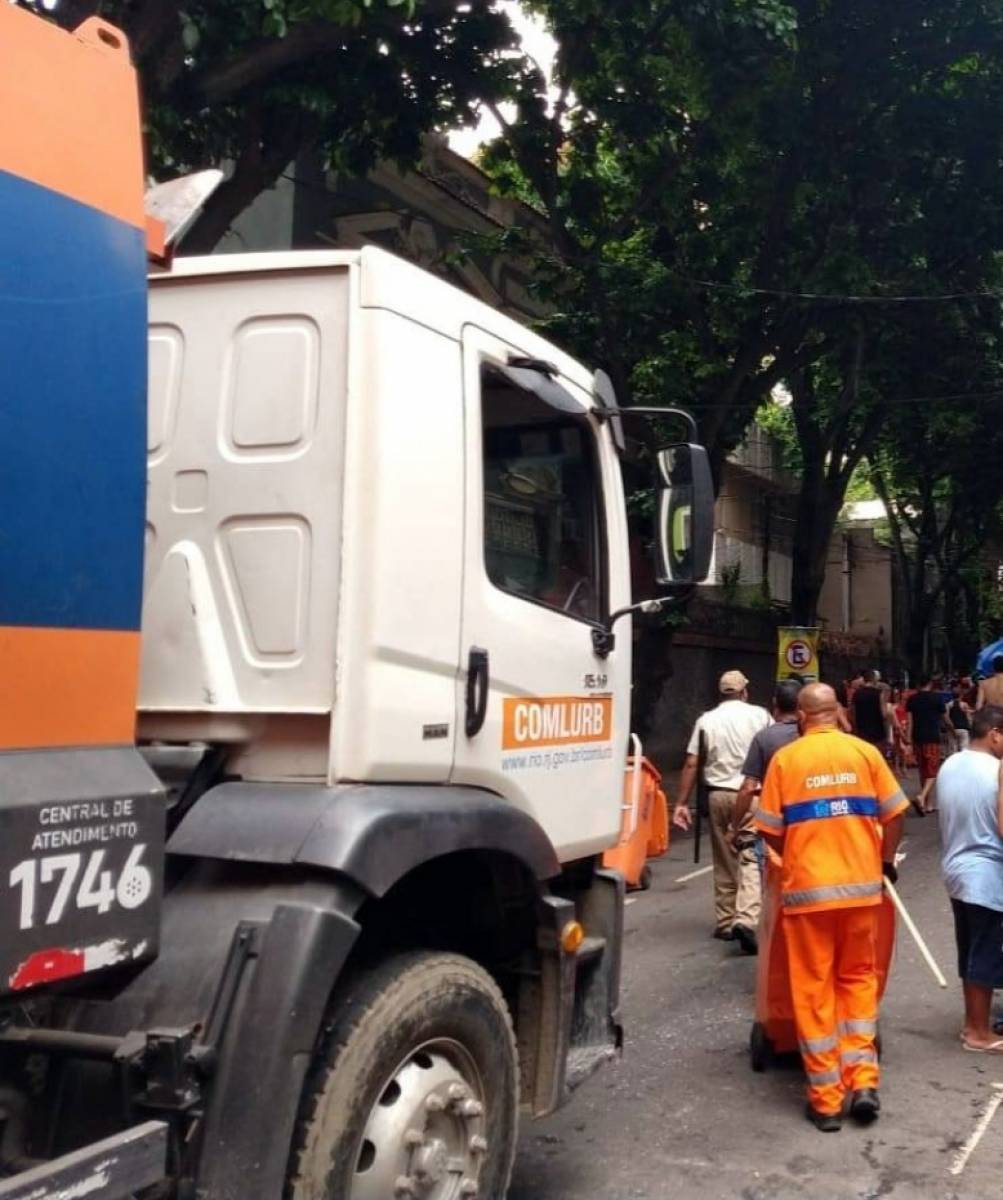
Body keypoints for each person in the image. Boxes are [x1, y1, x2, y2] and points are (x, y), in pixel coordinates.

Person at [755, 684, 908, 1132]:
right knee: (859, 980)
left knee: (813, 987)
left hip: (807, 894)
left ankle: (825, 1101)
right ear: (838, 711)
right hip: (862, 891)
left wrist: (799, 850)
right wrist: (881, 862)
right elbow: (895, 813)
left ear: (801, 717)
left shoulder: (787, 760)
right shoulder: (864, 753)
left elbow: (768, 830)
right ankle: (863, 1082)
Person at [673, 670, 771, 954]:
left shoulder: (706, 720)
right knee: (750, 854)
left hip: (717, 794)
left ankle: (727, 920)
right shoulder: (761, 716)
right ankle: (747, 917)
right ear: (745, 691)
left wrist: (680, 802)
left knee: (724, 856)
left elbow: (692, 763)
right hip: (752, 793)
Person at [936, 705, 1003, 1052]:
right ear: (994, 733)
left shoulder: (951, 764)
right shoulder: (996, 770)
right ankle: (978, 1032)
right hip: (987, 873)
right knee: (985, 952)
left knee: (971, 950)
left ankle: (971, 1024)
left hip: (956, 869)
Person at [733, 679, 803, 838]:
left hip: (775, 818)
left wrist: (734, 827)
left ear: (775, 703)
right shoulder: (810, 736)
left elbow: (748, 788)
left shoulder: (764, 738)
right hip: (808, 815)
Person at [905, 675, 952, 815]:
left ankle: (927, 804)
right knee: (933, 770)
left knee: (923, 771)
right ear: (930, 683)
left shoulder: (912, 699)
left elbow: (910, 721)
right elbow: (945, 719)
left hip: (917, 738)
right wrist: (952, 730)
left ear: (918, 684)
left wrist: (908, 738)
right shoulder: (936, 699)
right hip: (932, 736)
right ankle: (922, 797)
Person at [851, 670, 888, 754]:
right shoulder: (879, 693)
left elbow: (852, 712)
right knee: (876, 754)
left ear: (864, 679)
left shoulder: (857, 694)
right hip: (877, 730)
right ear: (874, 679)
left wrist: (855, 726)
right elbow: (884, 714)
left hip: (862, 729)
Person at [948, 684, 973, 753]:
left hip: (952, 728)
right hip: (963, 728)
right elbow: (968, 717)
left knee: (952, 749)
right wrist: (970, 726)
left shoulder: (948, 705)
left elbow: (946, 717)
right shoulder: (964, 705)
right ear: (961, 695)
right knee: (964, 749)